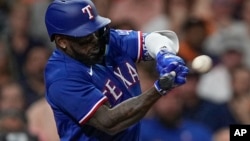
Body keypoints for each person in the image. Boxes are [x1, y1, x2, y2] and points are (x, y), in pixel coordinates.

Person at [44, 0, 189, 141]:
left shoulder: (106, 41)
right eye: (85, 38)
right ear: (62, 42)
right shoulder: (62, 77)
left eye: (96, 31)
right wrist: (158, 90)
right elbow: (109, 123)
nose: (95, 40)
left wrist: (165, 54)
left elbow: (157, 39)